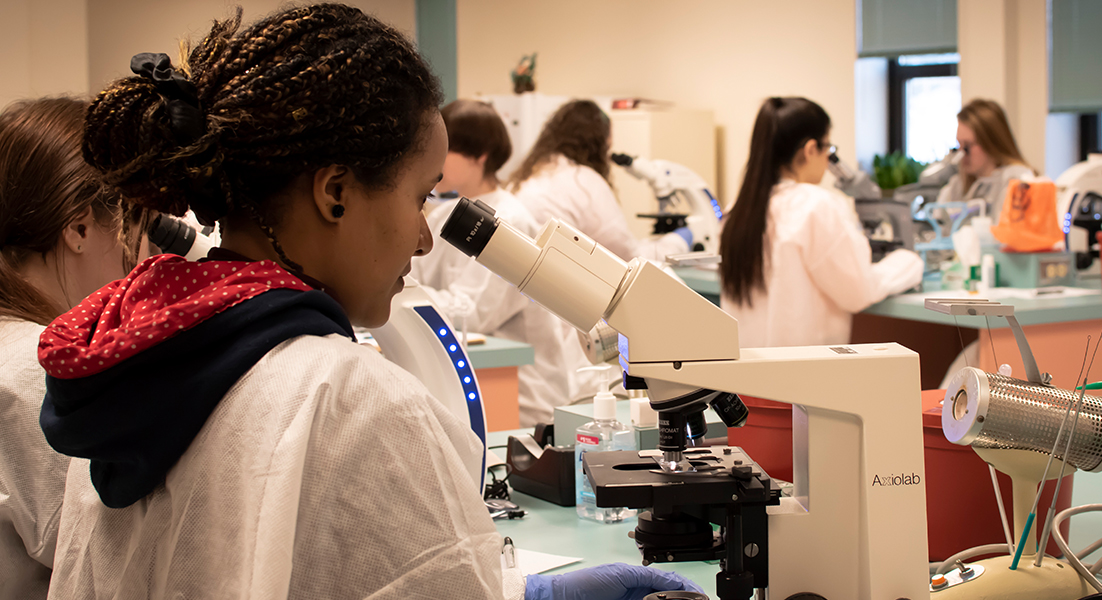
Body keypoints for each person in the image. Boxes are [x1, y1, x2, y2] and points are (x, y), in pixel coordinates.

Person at [38, 5, 699, 600]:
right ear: (335, 194)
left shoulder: (135, 361)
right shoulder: (352, 400)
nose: (420, 237)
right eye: (419, 197)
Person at [0, 97, 145, 600]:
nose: (138, 264)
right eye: (133, 231)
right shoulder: (35, 373)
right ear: (81, 228)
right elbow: (119, 567)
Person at [412, 99, 595, 425]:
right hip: (476, 376)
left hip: (522, 393)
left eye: (446, 148)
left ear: (480, 155)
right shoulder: (443, 215)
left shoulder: (509, 222)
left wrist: (408, 295)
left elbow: (474, 312)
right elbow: (415, 281)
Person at [719, 97, 923, 348]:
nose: (828, 160)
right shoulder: (816, 205)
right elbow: (859, 292)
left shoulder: (738, 210)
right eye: (828, 148)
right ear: (810, 149)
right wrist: (909, 262)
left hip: (744, 381)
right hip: (801, 378)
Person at [509, 99, 691, 262]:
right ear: (599, 144)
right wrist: (678, 242)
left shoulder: (528, 176)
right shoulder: (583, 181)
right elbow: (626, 257)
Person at [936, 98, 1035, 221]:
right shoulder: (957, 186)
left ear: (991, 142)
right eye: (958, 145)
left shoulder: (1015, 180)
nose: (961, 154)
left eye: (967, 146)